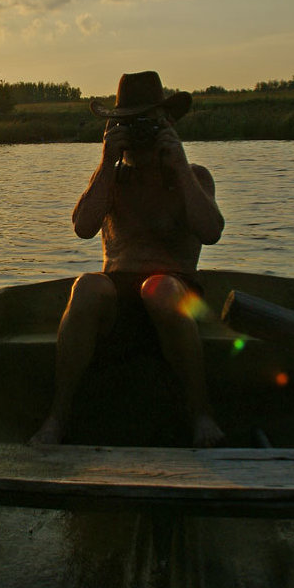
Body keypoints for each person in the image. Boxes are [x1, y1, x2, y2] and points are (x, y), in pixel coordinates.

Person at [31, 71, 226, 447]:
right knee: (86, 285)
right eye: (127, 125)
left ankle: (202, 415)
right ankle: (57, 417)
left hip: (175, 293)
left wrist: (179, 164)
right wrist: (107, 162)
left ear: (167, 124)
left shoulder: (193, 176)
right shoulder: (111, 179)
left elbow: (212, 231)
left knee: (159, 288)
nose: (139, 135)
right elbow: (83, 227)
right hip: (116, 300)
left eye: (147, 124)